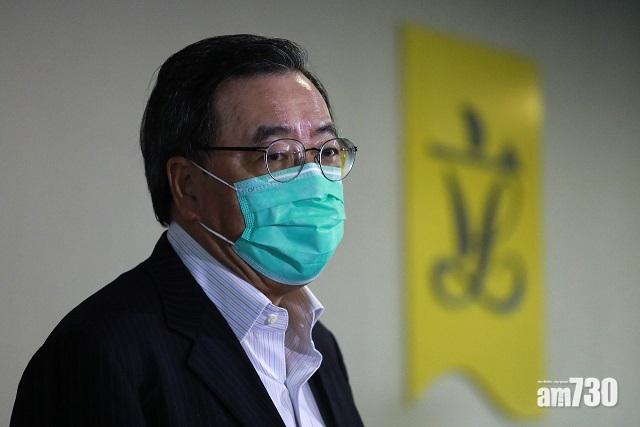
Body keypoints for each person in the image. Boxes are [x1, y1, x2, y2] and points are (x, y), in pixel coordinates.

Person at [11, 34, 364, 427]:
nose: (313, 177)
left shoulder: (316, 345)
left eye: (327, 151)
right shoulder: (99, 353)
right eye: (277, 154)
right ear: (187, 185)